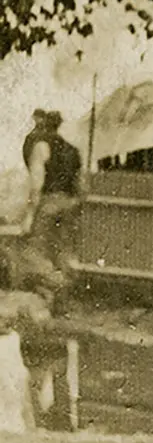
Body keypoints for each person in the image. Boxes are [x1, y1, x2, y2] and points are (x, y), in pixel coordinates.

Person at [15, 109, 82, 311]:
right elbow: (80, 184)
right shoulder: (73, 150)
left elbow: (37, 184)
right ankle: (62, 302)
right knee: (63, 252)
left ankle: (50, 294)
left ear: (42, 124)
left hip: (49, 203)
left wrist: (28, 216)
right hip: (69, 204)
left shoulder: (41, 146)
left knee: (35, 252)